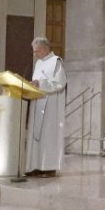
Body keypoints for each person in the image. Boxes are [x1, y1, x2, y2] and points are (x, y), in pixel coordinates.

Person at [25, 37, 67, 176]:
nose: (34, 54)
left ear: (45, 48)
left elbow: (60, 83)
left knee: (48, 136)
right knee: (36, 136)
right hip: (37, 102)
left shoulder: (56, 62)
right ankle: (35, 166)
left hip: (50, 106)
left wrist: (40, 84)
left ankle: (49, 167)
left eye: (37, 51)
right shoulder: (39, 63)